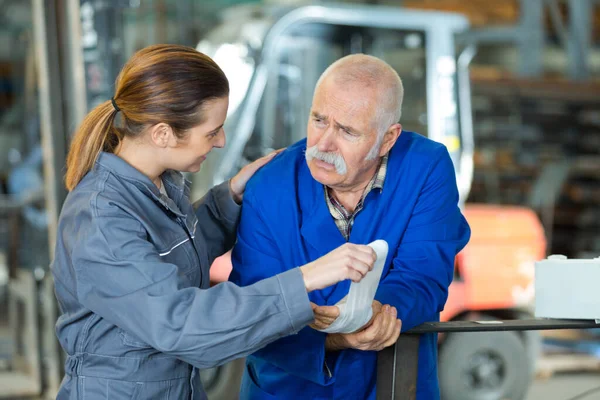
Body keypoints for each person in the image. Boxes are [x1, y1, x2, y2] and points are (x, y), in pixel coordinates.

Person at [51, 44, 378, 400]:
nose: (221, 141)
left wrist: (231, 197)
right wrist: (307, 278)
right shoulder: (100, 216)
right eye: (212, 132)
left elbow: (170, 259)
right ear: (163, 134)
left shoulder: (158, 184)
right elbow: (183, 325)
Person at [229, 54, 472, 399]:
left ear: (388, 139)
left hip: (391, 383)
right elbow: (251, 308)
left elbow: (424, 273)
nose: (323, 144)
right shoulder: (269, 185)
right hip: (289, 388)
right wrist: (334, 338)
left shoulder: (426, 168)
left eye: (346, 130)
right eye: (318, 120)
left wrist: (379, 312)